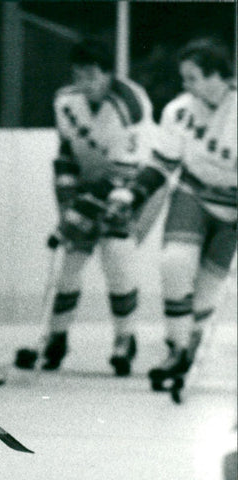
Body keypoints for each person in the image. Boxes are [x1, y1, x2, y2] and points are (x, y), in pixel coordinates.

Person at [17, 39, 155, 375]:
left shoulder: (131, 105)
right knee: (70, 261)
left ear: (108, 74)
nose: (84, 82)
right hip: (84, 186)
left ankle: (125, 340)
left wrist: (79, 214)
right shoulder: (66, 100)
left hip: (128, 188)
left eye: (92, 74)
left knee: (116, 258)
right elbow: (65, 155)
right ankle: (56, 339)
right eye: (78, 74)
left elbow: (124, 172)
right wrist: (68, 209)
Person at [108, 38, 236, 393]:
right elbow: (162, 163)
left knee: (207, 291)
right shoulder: (179, 110)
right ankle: (176, 350)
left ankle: (191, 347)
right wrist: (131, 193)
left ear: (218, 77)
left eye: (193, 77)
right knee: (175, 264)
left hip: (233, 209)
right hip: (193, 195)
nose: (186, 86)